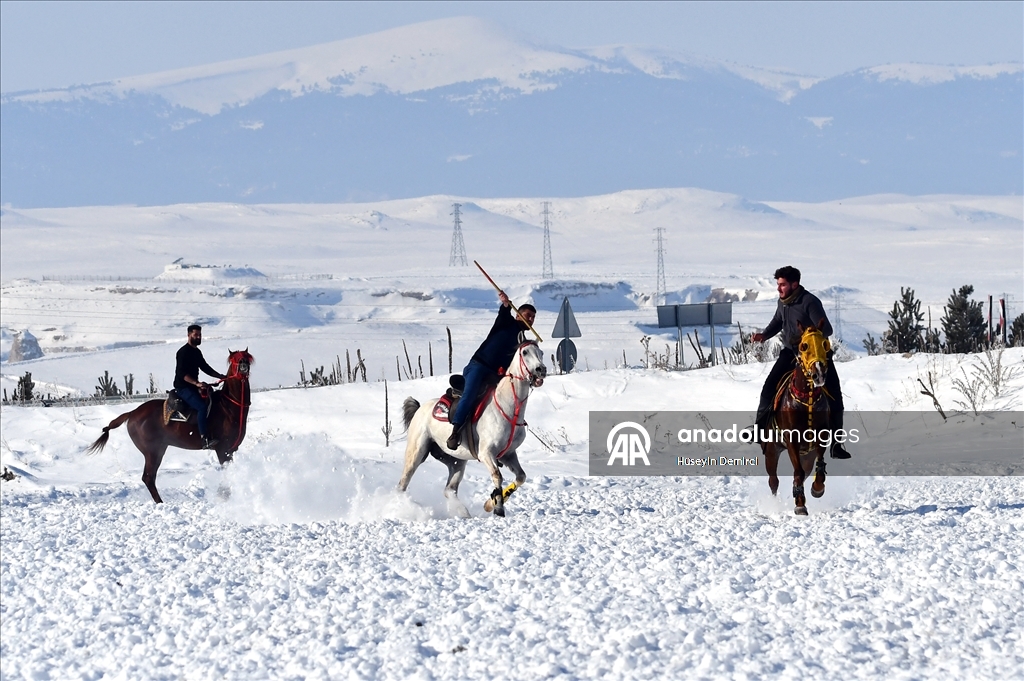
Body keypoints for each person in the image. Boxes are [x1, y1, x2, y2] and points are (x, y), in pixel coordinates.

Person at [751, 266, 852, 459]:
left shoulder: (810, 302)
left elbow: (827, 330)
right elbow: (777, 322)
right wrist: (764, 335)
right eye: (778, 285)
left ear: (794, 284)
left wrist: (808, 336)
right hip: (790, 355)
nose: (778, 289)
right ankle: (759, 429)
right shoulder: (783, 302)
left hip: (816, 358)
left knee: (835, 397)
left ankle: (836, 445)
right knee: (768, 388)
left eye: (782, 285)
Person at [447, 292, 537, 450]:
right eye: (527, 315)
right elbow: (503, 312)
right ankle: (456, 431)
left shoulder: (523, 341)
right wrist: (505, 304)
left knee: (504, 400)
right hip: (479, 365)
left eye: (533, 317)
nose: (530, 319)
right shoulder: (506, 322)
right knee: (470, 395)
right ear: (518, 315)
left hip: (495, 374)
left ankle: (497, 442)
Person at [173, 324, 226, 449]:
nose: (198, 337)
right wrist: (197, 383)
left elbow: (204, 367)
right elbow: (181, 374)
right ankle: (204, 439)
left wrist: (220, 376)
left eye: (200, 335)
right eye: (195, 335)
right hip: (183, 388)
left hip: (192, 387)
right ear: (189, 335)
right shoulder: (182, 352)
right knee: (202, 407)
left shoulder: (197, 352)